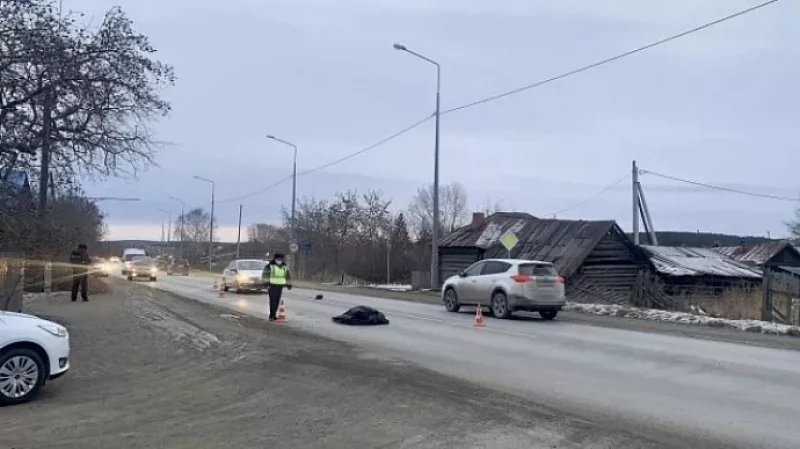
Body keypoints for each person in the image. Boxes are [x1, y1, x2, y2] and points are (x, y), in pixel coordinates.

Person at [262, 253, 292, 321]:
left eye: (281, 259)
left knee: (277, 300)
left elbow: (287, 276)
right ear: (275, 259)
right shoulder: (270, 266)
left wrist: (289, 284)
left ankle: (274, 314)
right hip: (272, 285)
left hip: (280, 285)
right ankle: (272, 315)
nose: (280, 260)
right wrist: (266, 284)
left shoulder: (284, 266)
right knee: (273, 300)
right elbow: (265, 275)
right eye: (278, 259)